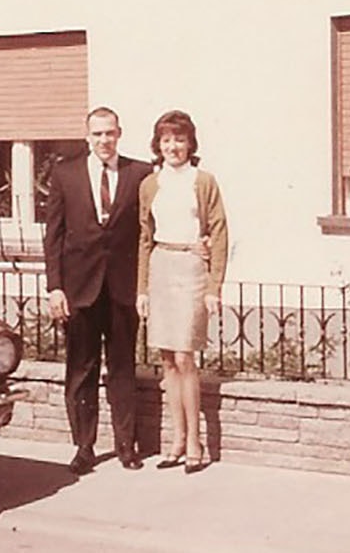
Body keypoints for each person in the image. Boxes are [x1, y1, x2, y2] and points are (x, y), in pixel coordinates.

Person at [43, 106, 154, 474]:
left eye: (110, 133)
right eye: (97, 134)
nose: (104, 140)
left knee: (123, 368)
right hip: (79, 289)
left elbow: (152, 227)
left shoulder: (140, 174)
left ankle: (126, 446)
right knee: (81, 369)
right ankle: (84, 447)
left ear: (119, 134)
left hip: (122, 289)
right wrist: (55, 287)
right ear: (87, 136)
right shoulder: (65, 173)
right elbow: (54, 236)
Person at [136, 109, 229, 474]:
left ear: (191, 143)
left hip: (191, 268)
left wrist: (213, 285)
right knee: (167, 359)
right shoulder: (150, 184)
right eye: (166, 140)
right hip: (161, 265)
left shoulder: (203, 181)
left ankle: (195, 442)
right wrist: (142, 288)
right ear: (158, 146)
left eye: (179, 139)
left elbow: (219, 232)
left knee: (186, 357)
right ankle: (175, 440)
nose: (173, 146)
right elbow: (144, 237)